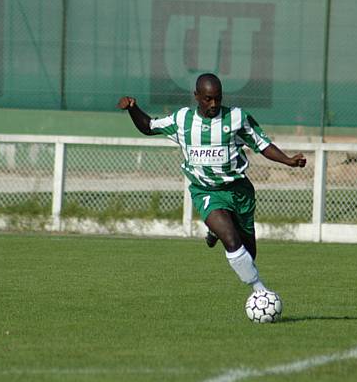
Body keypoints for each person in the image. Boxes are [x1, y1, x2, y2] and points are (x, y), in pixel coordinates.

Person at [117, 73, 306, 293]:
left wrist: (288, 161)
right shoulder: (182, 120)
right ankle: (261, 292)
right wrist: (132, 108)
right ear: (196, 96)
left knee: (249, 254)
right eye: (208, 99)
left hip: (238, 191)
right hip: (205, 191)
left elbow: (262, 144)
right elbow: (149, 126)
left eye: (218, 98)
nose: (214, 104)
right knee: (231, 240)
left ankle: (215, 231)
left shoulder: (236, 118)